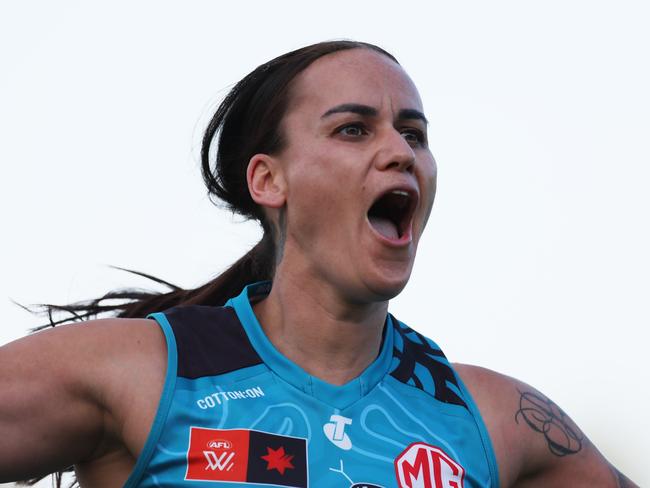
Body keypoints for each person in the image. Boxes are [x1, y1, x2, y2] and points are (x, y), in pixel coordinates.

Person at [0, 40, 637, 488]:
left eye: (413, 134)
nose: (400, 151)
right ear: (268, 179)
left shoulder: (495, 420)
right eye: (354, 129)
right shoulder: (139, 374)